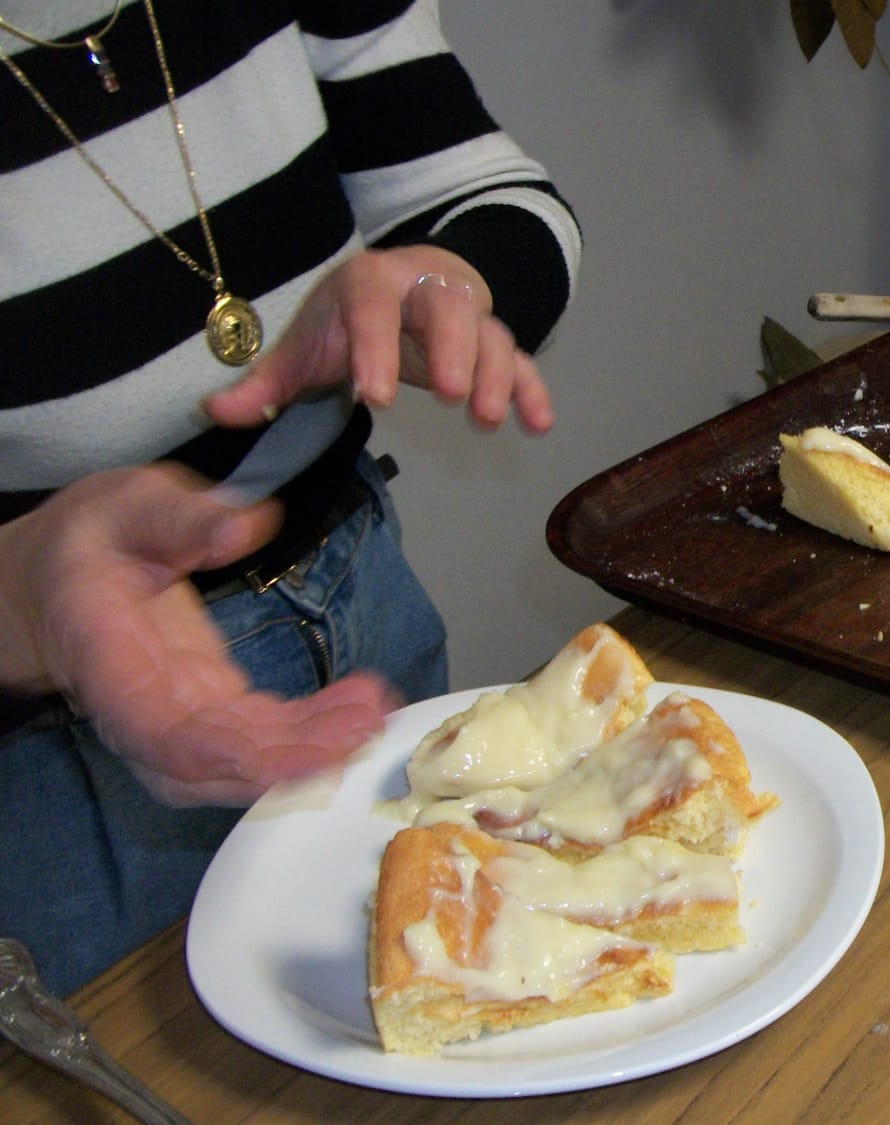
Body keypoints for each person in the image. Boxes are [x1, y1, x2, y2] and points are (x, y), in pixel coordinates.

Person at [0, 0, 581, 995]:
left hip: (359, 578)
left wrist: (449, 278)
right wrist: (22, 598)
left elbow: (483, 186)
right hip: (46, 747)